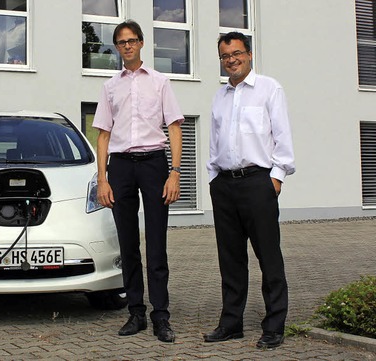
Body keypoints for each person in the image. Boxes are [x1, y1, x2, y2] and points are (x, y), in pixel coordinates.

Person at [93, 20, 183, 343]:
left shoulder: (160, 82)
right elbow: (102, 134)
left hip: (153, 164)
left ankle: (161, 315)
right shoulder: (110, 87)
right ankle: (136, 312)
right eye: (121, 42)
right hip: (120, 167)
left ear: (142, 44)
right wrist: (102, 179)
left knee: (157, 243)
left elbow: (174, 127)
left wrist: (174, 172)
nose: (127, 46)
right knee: (128, 243)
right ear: (116, 47)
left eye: (132, 40)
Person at [204, 31, 296, 349]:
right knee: (230, 260)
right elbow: (215, 142)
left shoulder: (270, 89)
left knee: (268, 257)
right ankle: (232, 323)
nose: (231, 60)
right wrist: (213, 176)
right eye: (225, 56)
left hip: (259, 183)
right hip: (225, 186)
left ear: (249, 54)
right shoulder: (219, 97)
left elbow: (282, 136)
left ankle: (274, 325)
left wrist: (277, 176)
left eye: (237, 53)